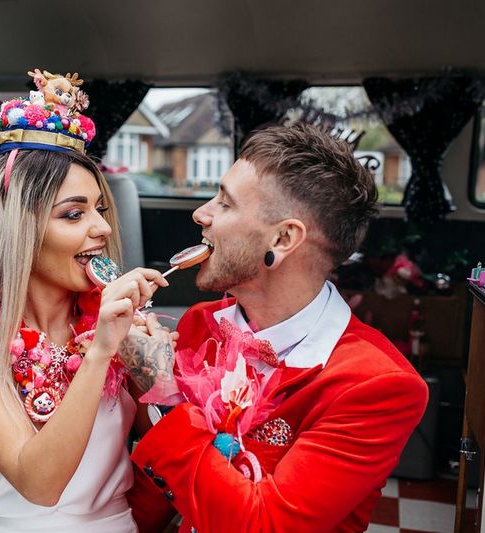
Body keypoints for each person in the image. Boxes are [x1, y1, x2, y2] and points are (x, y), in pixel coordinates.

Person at [122, 122, 429, 532]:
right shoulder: (201, 324)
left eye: (225, 203)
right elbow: (153, 496)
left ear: (283, 238)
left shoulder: (376, 385)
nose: (202, 214)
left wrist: (163, 390)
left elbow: (267, 525)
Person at [0, 71, 167, 532]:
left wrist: (155, 374)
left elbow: (168, 464)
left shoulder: (114, 327)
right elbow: (39, 483)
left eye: (99, 210)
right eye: (74, 214)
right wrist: (100, 354)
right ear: (20, 232)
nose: (103, 229)